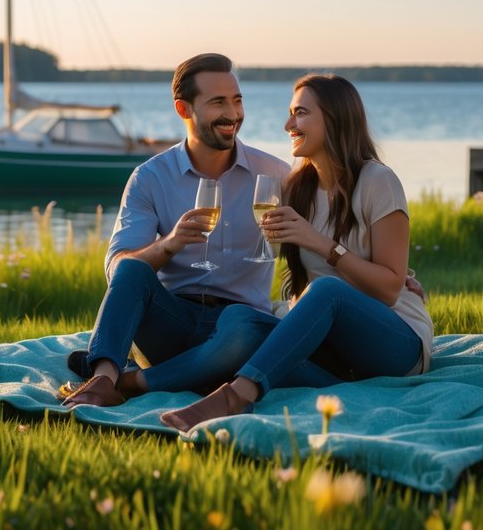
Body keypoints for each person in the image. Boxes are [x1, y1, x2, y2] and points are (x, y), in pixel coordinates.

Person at [159, 74, 433, 431]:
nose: (288, 124)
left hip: (397, 344)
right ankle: (133, 382)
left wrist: (320, 242)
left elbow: (388, 289)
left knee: (329, 292)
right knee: (245, 322)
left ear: (334, 118)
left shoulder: (377, 181)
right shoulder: (298, 188)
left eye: (300, 113)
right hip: (338, 353)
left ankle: (236, 396)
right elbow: (304, 285)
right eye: (290, 113)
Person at [61, 53, 292, 407]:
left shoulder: (276, 174)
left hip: (238, 326)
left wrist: (396, 278)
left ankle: (132, 382)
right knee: (132, 268)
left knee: (246, 325)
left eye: (237, 100)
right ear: (184, 110)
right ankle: (103, 380)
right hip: (169, 322)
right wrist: (169, 245)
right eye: (218, 103)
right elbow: (117, 270)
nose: (232, 114)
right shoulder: (150, 177)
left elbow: (323, 237)